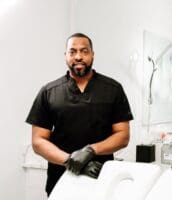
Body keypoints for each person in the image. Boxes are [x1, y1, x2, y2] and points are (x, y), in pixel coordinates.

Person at [25, 33, 133, 196]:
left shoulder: (113, 89)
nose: (78, 56)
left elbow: (123, 135)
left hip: (101, 178)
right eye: (72, 51)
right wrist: (71, 161)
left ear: (93, 54)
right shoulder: (49, 92)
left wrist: (91, 150)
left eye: (84, 51)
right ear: (65, 55)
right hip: (60, 180)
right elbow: (38, 141)